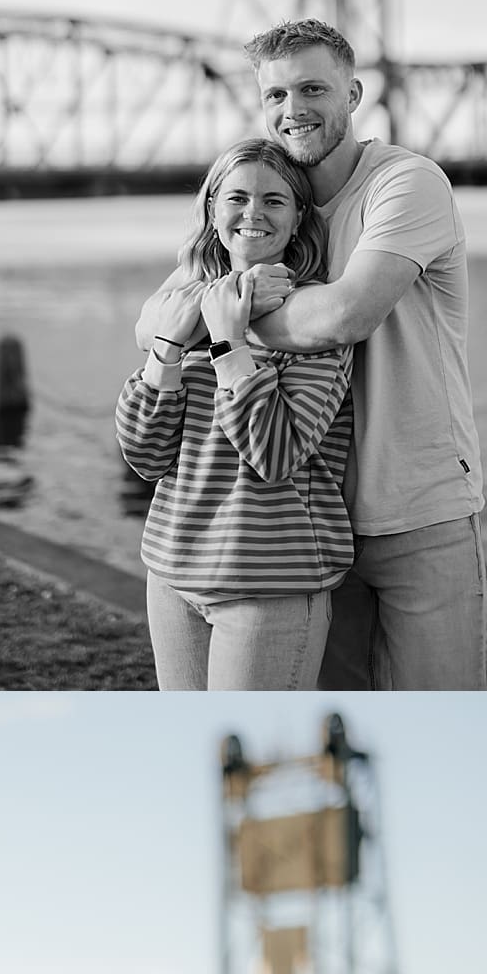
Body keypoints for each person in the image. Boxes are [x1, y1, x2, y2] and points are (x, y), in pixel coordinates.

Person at [134, 18, 485, 691]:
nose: (292, 109)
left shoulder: (406, 183)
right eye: (276, 94)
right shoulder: (269, 204)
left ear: (353, 94)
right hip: (312, 523)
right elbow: (152, 321)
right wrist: (214, 309)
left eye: (313, 89)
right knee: (327, 720)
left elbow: (344, 315)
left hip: (418, 508)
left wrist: (229, 316)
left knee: (440, 719)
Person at [115, 137, 352, 691]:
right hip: (172, 573)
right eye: (237, 198)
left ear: (299, 218)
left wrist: (228, 342)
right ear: (212, 210)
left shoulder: (312, 320)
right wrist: (169, 347)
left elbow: (274, 455)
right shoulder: (184, 307)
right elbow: (146, 455)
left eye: (274, 200)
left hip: (269, 585)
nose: (253, 213)